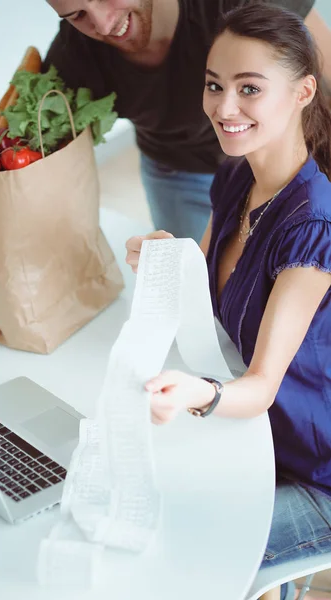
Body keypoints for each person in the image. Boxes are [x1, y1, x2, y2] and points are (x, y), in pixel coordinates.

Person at [0, 0, 331, 342]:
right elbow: (30, 185)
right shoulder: (77, 55)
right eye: (77, 15)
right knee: (210, 315)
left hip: (296, 167)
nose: (103, 24)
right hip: (181, 174)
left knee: (304, 315)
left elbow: (317, 67)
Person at [126, 4, 331, 599]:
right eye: (215, 85)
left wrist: (199, 396)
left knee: (188, 557)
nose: (224, 107)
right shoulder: (238, 174)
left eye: (249, 89)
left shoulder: (314, 225)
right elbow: (211, 299)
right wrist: (170, 260)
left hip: (313, 470)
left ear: (302, 92)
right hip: (255, 440)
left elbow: (261, 386)